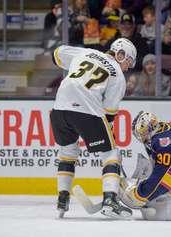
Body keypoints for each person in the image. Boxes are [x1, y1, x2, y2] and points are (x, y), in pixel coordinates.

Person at [50, 38, 137, 218]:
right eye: (128, 62)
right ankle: (110, 200)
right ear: (120, 55)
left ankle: (62, 198)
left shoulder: (84, 52)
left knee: (68, 150)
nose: (128, 67)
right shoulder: (118, 76)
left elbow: (56, 55)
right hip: (87, 111)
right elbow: (109, 114)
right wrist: (107, 133)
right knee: (111, 154)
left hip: (59, 109)